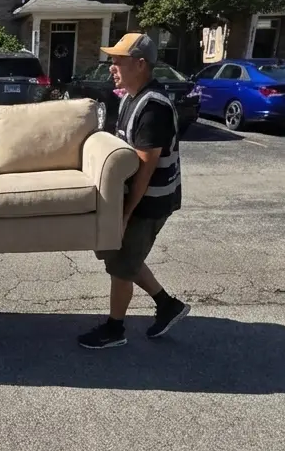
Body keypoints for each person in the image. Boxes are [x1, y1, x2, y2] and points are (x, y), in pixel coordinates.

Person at [78, 33, 189, 349]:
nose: (112, 67)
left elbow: (144, 170)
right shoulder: (129, 97)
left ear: (140, 65)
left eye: (118, 61)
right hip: (134, 198)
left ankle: (115, 329)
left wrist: (125, 214)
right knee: (121, 257)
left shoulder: (154, 108)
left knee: (121, 265)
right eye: (112, 60)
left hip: (150, 201)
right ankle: (167, 305)